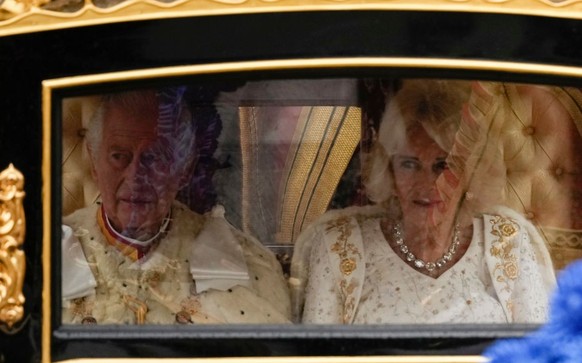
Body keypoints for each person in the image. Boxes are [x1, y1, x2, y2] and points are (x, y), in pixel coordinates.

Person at [290, 79, 556, 324]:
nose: (427, 184)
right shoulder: (339, 246)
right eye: (409, 164)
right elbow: (319, 355)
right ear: (390, 172)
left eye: (443, 165)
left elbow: (540, 353)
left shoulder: (507, 241)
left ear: (471, 174)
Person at [61, 88, 291, 324]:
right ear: (94, 163)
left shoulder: (249, 263)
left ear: (185, 169)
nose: (135, 177)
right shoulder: (50, 254)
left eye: (154, 158)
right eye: (119, 156)